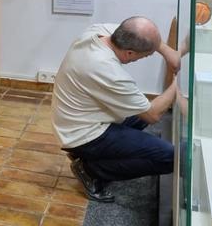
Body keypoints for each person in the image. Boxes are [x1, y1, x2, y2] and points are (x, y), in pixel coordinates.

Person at [51, 16, 180, 202]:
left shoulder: (96, 32)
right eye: (145, 56)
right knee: (171, 157)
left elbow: (143, 32)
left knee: (139, 107)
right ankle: (90, 169)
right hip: (82, 135)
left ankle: (97, 159)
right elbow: (153, 114)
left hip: (79, 117)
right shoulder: (108, 71)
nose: (145, 58)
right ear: (129, 53)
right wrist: (178, 83)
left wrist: (169, 53)